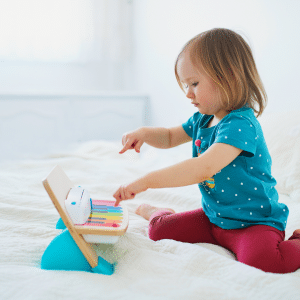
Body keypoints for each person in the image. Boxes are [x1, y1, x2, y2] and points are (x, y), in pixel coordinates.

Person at [113, 28, 300, 273]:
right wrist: (145, 133)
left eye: (194, 83)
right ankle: (156, 212)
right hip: (214, 217)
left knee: (266, 262)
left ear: (229, 77)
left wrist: (146, 181)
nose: (188, 93)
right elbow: (169, 136)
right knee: (159, 231)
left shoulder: (241, 126)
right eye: (185, 84)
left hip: (254, 223)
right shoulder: (203, 119)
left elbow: (203, 168)